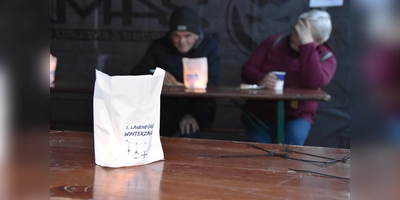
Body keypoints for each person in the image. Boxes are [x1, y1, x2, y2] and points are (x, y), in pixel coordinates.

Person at [241, 9, 337, 145]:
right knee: (260, 150)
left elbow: (313, 82)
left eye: (302, 35)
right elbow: (247, 70)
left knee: (291, 150)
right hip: (260, 111)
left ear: (318, 41)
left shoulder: (326, 57)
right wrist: (261, 78)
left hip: (298, 115)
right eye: (295, 30)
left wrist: (307, 47)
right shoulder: (274, 42)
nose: (294, 36)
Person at [131, 6, 220, 138]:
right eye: (176, 36)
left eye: (187, 35)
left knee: (189, 131)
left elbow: (211, 83)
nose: (182, 41)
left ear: (197, 35)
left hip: (199, 106)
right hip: (165, 108)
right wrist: (157, 75)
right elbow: (137, 73)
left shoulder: (209, 47)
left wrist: (192, 114)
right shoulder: (159, 46)